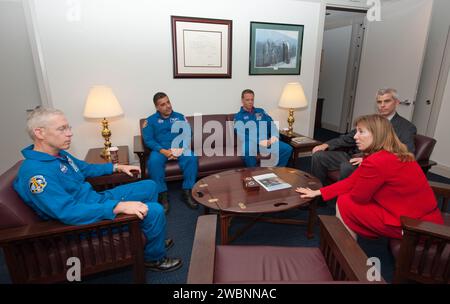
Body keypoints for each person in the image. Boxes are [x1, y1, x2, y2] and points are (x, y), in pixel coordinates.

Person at [14, 107, 182, 272]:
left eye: (68, 127)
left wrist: (116, 167)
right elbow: (67, 212)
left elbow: (85, 168)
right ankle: (154, 258)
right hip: (86, 220)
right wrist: (117, 207)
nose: (69, 133)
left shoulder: (58, 155)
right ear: (39, 133)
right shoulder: (37, 174)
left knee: (149, 186)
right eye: (62, 129)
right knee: (154, 210)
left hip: (95, 200)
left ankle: (152, 236)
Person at [296, 114, 443, 240]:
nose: (355, 136)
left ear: (377, 135)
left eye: (361, 132)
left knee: (344, 201)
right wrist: (318, 192)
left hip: (413, 226)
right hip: (426, 219)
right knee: (345, 196)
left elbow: (359, 197)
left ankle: (347, 253)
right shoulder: (396, 153)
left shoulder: (377, 161)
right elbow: (352, 180)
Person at [311, 88, 417, 184]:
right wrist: (326, 144)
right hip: (354, 155)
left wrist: (371, 159)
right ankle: (317, 197)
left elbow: (406, 153)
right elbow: (349, 137)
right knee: (319, 155)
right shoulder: (370, 120)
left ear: (397, 103)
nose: (382, 105)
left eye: (387, 101)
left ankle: (340, 202)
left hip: (375, 163)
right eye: (379, 102)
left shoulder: (406, 127)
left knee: (347, 167)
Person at [142, 92, 198, 212]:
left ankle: (187, 191)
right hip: (160, 150)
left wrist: (180, 148)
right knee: (153, 162)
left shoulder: (180, 117)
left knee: (192, 158)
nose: (168, 106)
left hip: (179, 148)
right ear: (157, 107)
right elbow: (148, 140)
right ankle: (163, 195)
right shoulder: (150, 121)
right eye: (163, 104)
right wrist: (163, 151)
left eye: (168, 102)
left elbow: (189, 133)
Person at [234, 89, 293, 167]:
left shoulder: (260, 111)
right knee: (246, 151)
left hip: (267, 141)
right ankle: (255, 174)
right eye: (247, 100)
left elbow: (272, 125)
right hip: (251, 143)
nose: (250, 102)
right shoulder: (239, 116)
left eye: (252, 99)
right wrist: (259, 142)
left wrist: (274, 137)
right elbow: (241, 135)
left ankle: (278, 171)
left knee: (287, 148)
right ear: (242, 100)